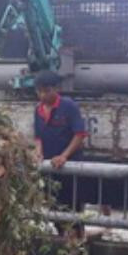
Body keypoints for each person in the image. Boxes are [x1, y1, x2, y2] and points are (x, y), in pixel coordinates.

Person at [33, 69, 90, 235]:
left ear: (55, 89)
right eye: (39, 91)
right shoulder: (38, 110)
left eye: (47, 91)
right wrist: (38, 152)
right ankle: (62, 238)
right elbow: (38, 137)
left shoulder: (69, 106)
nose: (43, 95)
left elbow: (80, 135)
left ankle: (76, 243)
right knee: (53, 206)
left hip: (69, 166)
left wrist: (64, 156)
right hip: (50, 168)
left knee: (72, 206)